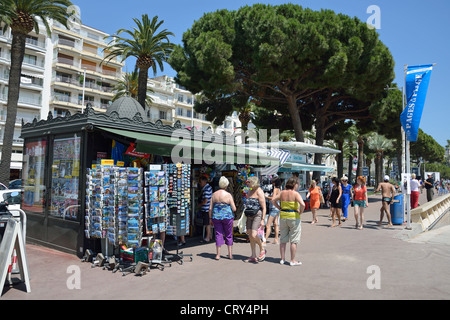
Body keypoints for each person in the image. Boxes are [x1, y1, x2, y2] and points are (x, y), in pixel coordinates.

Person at [272, 177, 305, 266]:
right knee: (294, 240)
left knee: (283, 239)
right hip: (294, 217)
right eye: (298, 184)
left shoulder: (282, 193)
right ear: (294, 184)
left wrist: (279, 208)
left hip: (283, 217)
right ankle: (292, 260)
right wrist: (300, 212)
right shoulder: (295, 194)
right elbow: (303, 204)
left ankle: (282, 259)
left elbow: (273, 200)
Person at [209, 176, 236, 260]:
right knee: (229, 234)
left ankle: (218, 255)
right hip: (227, 217)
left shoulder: (214, 194)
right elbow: (234, 208)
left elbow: (210, 208)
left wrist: (210, 218)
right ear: (226, 185)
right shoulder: (228, 195)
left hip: (216, 217)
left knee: (218, 234)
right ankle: (230, 254)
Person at [244, 176, 267, 263]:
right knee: (250, 235)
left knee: (254, 234)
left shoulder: (259, 191)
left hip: (257, 215)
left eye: (248, 182)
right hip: (249, 215)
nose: (247, 183)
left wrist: (262, 220)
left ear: (253, 182)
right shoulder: (249, 191)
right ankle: (253, 255)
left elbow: (264, 207)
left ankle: (262, 248)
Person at [265, 176, 281, 244]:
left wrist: (266, 196)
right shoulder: (279, 189)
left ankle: (264, 240)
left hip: (273, 208)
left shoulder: (275, 189)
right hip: (277, 208)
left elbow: (273, 199)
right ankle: (276, 239)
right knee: (275, 224)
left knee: (268, 225)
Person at [198, 176, 213, 242]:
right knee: (208, 223)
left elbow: (205, 200)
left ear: (204, 182)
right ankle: (209, 236)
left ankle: (207, 237)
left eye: (200, 182)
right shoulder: (209, 188)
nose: (200, 183)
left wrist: (200, 204)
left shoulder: (206, 189)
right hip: (208, 208)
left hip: (206, 209)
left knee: (207, 224)